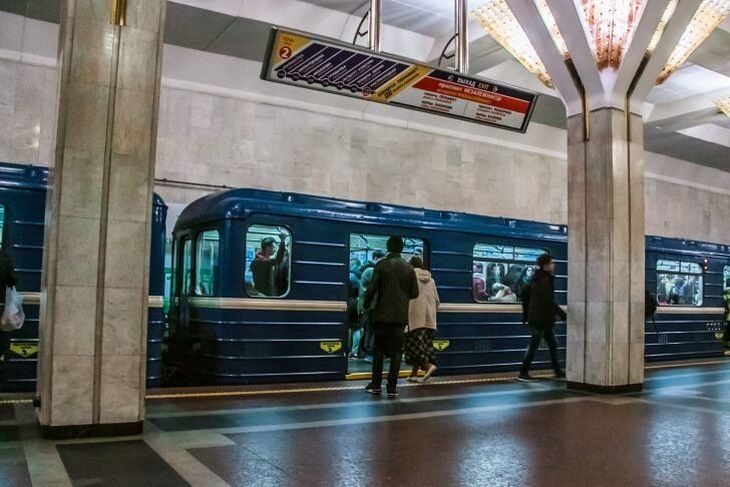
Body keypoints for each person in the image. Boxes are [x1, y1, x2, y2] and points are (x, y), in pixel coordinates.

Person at [363, 236, 419, 398]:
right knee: (396, 353)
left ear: (388, 247)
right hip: (400, 317)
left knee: (378, 351)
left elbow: (371, 289)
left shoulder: (382, 265)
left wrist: (366, 305)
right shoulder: (409, 268)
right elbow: (414, 293)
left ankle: (376, 384)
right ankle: (392, 387)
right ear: (401, 248)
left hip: (382, 315)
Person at [518, 253, 566, 382]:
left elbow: (525, 295)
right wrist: (562, 314)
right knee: (534, 345)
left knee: (552, 343)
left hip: (539, 317)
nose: (554, 265)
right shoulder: (545, 280)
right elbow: (548, 300)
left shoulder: (535, 278)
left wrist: (526, 314)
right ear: (545, 265)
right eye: (552, 263)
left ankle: (558, 371)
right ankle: (523, 373)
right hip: (541, 318)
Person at [404, 256, 439, 383]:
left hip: (414, 319)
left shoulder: (409, 278)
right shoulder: (431, 280)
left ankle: (429, 366)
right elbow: (437, 301)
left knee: (414, 348)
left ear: (411, 266)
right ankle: (413, 374)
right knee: (423, 347)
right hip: (429, 320)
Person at [357, 250, 385, 361]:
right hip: (371, 305)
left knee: (368, 330)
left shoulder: (367, 269)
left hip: (367, 305)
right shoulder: (372, 270)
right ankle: (369, 353)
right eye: (382, 259)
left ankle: (363, 352)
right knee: (371, 330)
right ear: (376, 258)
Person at [723, 281, 730, 348]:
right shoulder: (727, 295)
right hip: (728, 316)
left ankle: (727, 342)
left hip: (728, 316)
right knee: (728, 331)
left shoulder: (725, 294)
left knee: (727, 331)